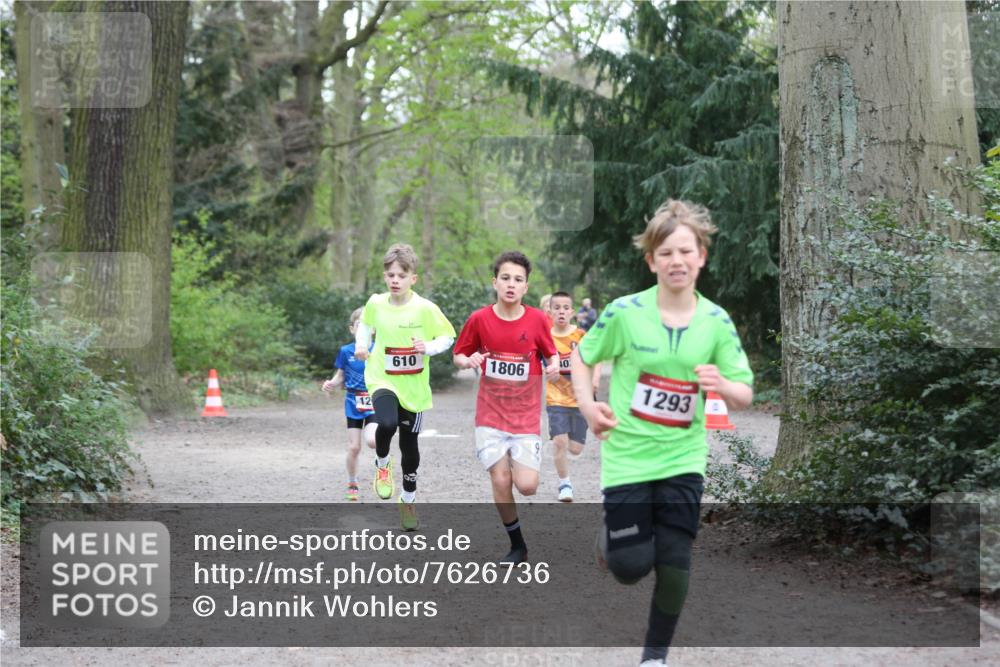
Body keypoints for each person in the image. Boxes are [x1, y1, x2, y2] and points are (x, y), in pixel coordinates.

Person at [570, 199, 753, 667]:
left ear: (701, 257)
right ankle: (612, 539)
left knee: (675, 559)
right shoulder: (624, 313)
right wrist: (590, 407)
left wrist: (722, 385)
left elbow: (745, 393)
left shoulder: (716, 322)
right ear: (651, 260)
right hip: (628, 456)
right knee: (631, 568)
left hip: (682, 459)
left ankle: (655, 656)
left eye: (686, 251)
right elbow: (582, 357)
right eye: (666, 252)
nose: (677, 260)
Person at [454, 251, 559, 563]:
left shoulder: (539, 320)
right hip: (490, 415)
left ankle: (517, 463)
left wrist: (552, 366)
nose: (511, 284)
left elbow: (550, 354)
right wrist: (468, 359)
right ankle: (518, 546)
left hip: (525, 417)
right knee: (500, 480)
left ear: (526, 287)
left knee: (526, 486)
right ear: (495, 282)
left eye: (518, 280)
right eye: (505, 278)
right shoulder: (479, 319)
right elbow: (459, 355)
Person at [355, 243, 456, 530]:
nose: (395, 280)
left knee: (410, 447)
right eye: (390, 274)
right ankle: (382, 464)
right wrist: (363, 345)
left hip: (413, 386)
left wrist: (428, 347)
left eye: (401, 275)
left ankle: (408, 499)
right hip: (381, 377)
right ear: (384, 277)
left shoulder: (425, 308)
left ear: (413, 278)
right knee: (385, 424)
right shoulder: (376, 303)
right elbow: (365, 324)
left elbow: (447, 337)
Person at [545, 291, 600, 502]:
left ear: (572, 312)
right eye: (556, 307)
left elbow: (598, 357)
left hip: (580, 399)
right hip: (555, 398)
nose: (561, 311)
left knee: (575, 449)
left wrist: (594, 379)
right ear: (549, 312)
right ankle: (564, 483)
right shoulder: (545, 337)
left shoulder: (581, 336)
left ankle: (568, 444)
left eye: (565, 308)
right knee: (559, 442)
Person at [322, 307, 378, 501]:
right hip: (353, 402)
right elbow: (340, 376)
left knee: (372, 441)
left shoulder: (378, 348)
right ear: (352, 329)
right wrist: (331, 384)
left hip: (375, 401)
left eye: (367, 326)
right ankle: (352, 482)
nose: (362, 328)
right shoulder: (346, 351)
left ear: (373, 329)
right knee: (354, 447)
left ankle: (383, 467)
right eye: (358, 325)